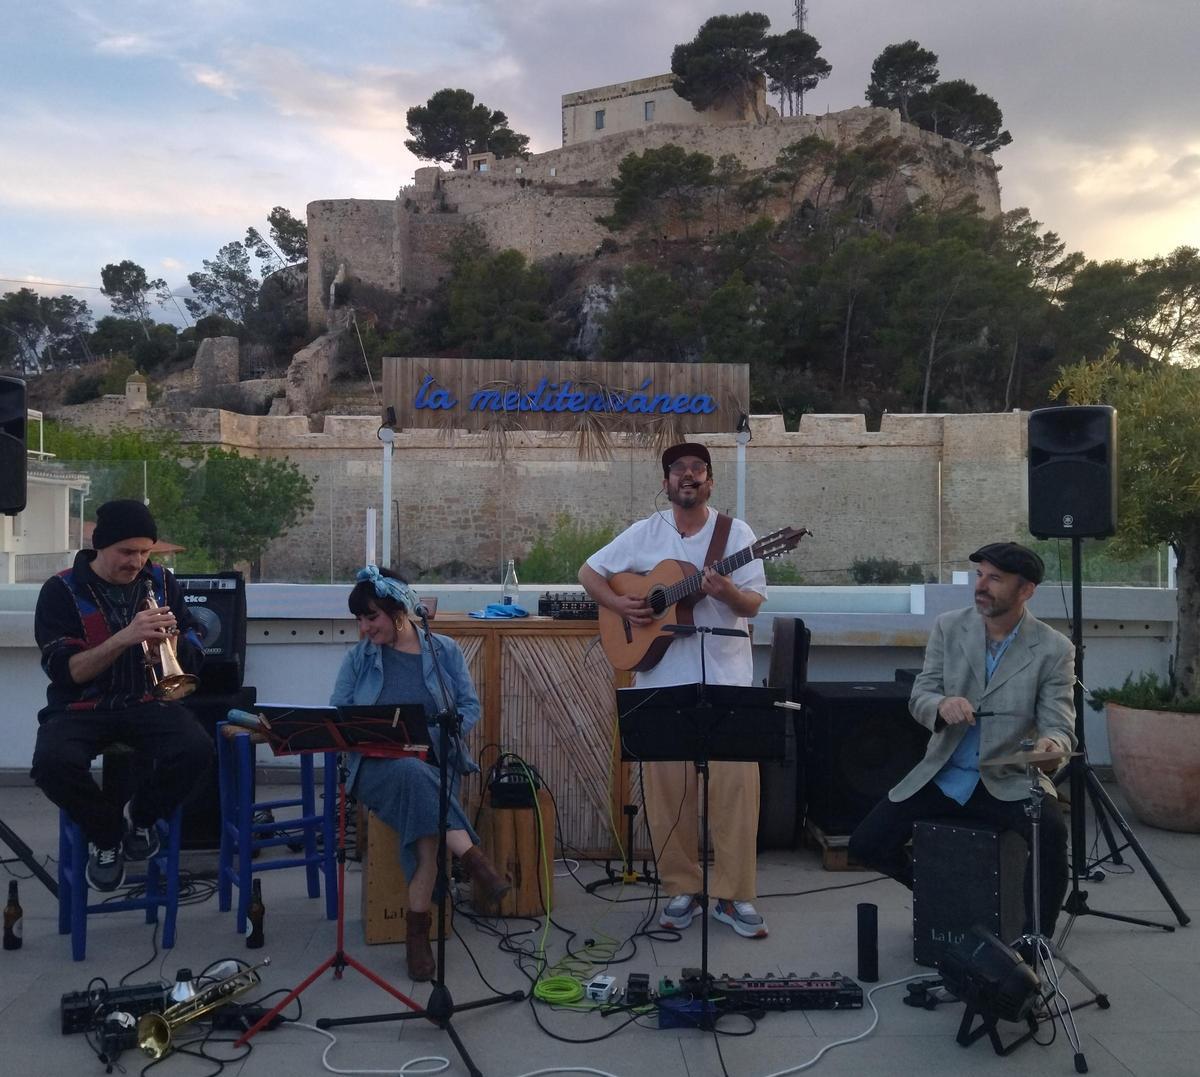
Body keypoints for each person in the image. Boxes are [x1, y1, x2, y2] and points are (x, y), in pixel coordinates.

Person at [579, 442, 769, 939]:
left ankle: (733, 895)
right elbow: (588, 573)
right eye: (678, 469)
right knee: (669, 795)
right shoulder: (644, 533)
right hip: (660, 682)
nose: (688, 476)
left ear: (709, 481)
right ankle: (683, 887)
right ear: (665, 482)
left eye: (697, 469)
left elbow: (752, 605)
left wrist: (725, 592)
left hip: (726, 681)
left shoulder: (738, 535)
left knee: (735, 793)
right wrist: (623, 607)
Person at [848, 542, 1077, 935]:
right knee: (866, 844)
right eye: (980, 576)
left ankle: (1033, 943)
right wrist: (941, 705)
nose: (982, 586)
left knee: (1052, 836)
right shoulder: (949, 626)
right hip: (945, 773)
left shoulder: (1053, 649)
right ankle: (945, 894)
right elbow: (920, 696)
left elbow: (1060, 724)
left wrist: (1052, 747)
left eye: (995, 579)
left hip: (1007, 779)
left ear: (1026, 591)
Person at [331, 565, 510, 981]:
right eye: (359, 619)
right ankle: (473, 858)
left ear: (398, 612)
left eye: (371, 617)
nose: (364, 627)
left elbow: (468, 708)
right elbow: (339, 714)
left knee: (426, 836)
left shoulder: (441, 650)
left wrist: (429, 737)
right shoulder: (358, 660)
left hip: (431, 762)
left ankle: (418, 938)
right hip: (375, 768)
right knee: (412, 775)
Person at [31, 499, 213, 892]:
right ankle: (107, 832)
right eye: (126, 552)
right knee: (51, 763)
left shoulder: (161, 581)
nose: (137, 562)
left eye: (145, 551)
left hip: (147, 701)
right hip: (81, 707)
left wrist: (178, 644)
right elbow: (66, 670)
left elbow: (196, 632)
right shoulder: (61, 590)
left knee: (197, 749)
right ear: (100, 546)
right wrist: (125, 637)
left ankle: (143, 818)